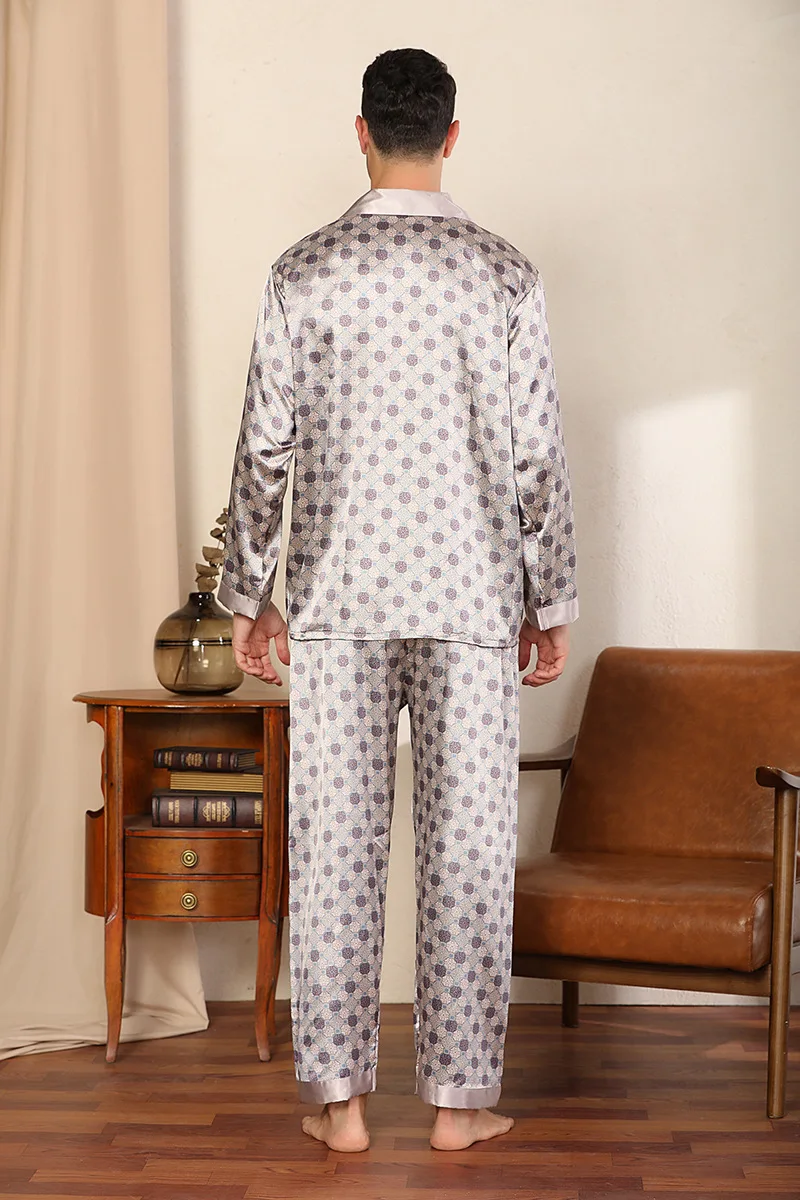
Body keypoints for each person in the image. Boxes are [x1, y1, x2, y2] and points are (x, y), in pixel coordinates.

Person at [218, 46, 579, 1153]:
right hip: (470, 600)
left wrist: (249, 594)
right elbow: (535, 455)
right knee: (469, 850)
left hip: (338, 599)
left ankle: (341, 1107)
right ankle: (459, 1108)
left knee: (335, 849)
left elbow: (263, 451)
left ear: (362, 131)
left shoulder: (303, 272)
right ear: (451, 136)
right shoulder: (503, 273)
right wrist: (551, 598)